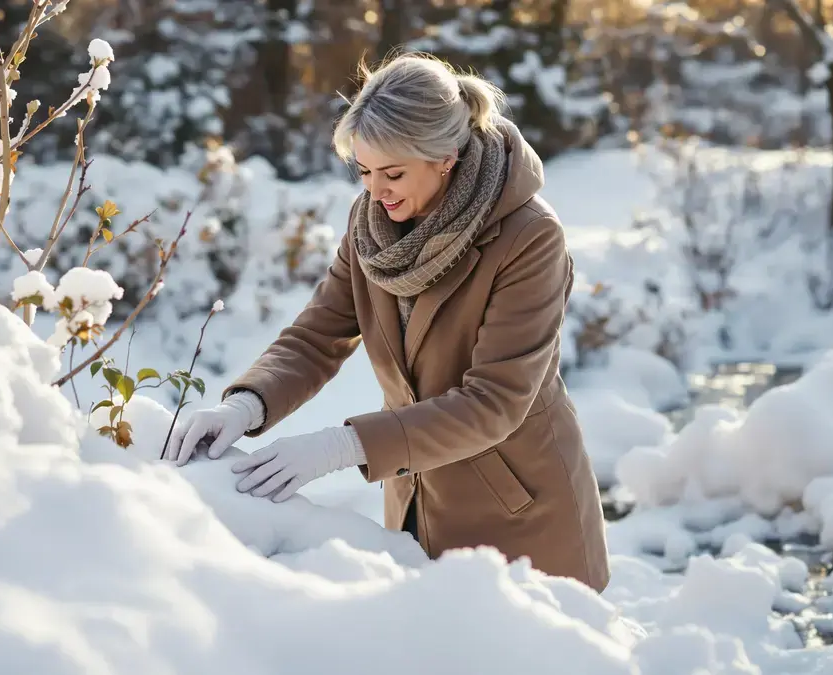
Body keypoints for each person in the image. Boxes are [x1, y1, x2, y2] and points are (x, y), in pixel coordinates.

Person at [164, 52, 610, 593]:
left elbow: (496, 402)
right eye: (365, 171)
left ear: (444, 155)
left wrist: (341, 446)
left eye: (393, 173)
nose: (376, 190)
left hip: (518, 512)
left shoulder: (529, 237)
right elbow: (318, 334)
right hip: (416, 501)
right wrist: (247, 404)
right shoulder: (371, 224)